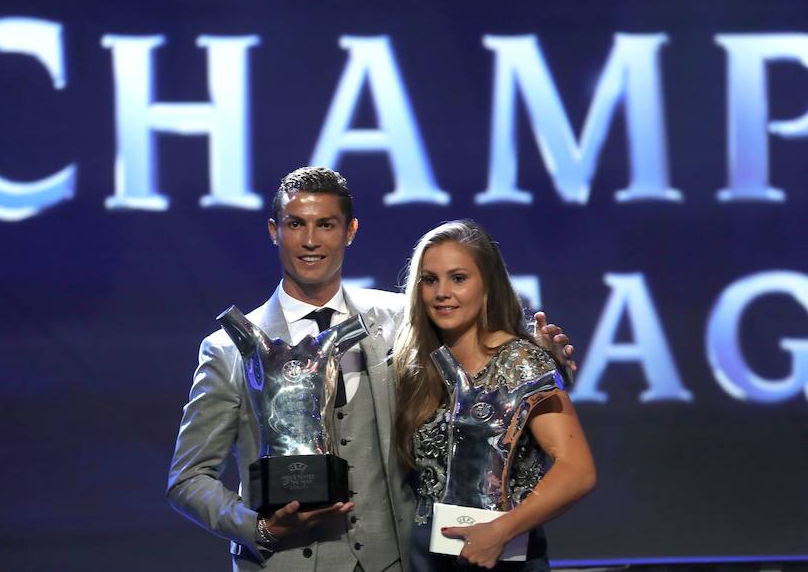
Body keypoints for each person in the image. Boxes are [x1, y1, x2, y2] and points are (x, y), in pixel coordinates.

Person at [167, 168, 575, 572]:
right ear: (274, 231)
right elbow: (188, 479)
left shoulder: (403, 319)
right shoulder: (229, 349)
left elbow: (483, 379)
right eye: (296, 224)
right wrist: (260, 528)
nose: (311, 241)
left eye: (326, 225)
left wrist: (543, 364)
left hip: (394, 560)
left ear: (351, 231)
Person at [392, 219, 596, 571]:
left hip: (503, 556)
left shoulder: (522, 361)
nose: (441, 292)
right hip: (428, 560)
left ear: (487, 285)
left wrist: (500, 531)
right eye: (430, 280)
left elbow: (578, 471)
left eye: (458, 278)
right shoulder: (417, 365)